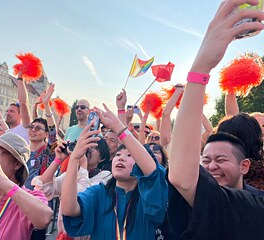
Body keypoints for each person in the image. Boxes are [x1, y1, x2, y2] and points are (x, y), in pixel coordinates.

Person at [167, 1, 264, 239]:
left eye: (220, 159)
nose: (210, 166)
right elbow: (182, 175)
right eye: (205, 159)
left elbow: (183, 177)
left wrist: (201, 67)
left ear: (245, 164)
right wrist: (206, 70)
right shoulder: (221, 200)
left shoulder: (253, 204)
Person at [61, 104, 168, 239]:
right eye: (118, 155)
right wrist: (74, 158)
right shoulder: (99, 193)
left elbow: (153, 172)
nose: (121, 158)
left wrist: (118, 126)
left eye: (129, 155)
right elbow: (69, 209)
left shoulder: (148, 197)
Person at [32, 137, 112, 239]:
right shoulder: (71, 175)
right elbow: (44, 190)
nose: (86, 149)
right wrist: (58, 159)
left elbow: (82, 200)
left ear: (102, 157)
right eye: (83, 145)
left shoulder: (106, 177)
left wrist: (82, 164)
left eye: (92, 147)